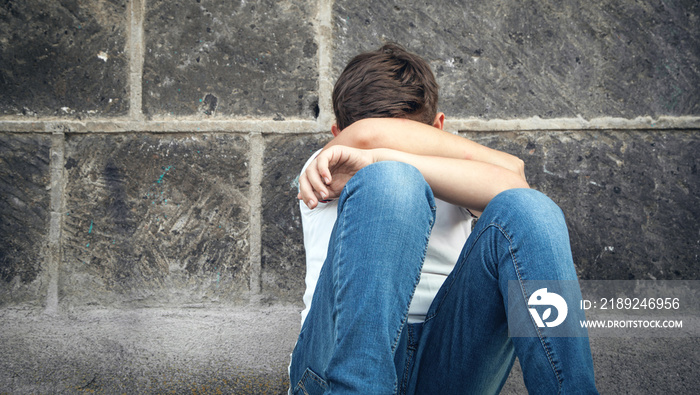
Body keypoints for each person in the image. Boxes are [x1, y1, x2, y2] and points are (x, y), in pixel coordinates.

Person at [290, 43, 598, 394]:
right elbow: (364, 136)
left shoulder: (450, 174)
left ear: (438, 128)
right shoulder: (328, 165)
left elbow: (514, 178)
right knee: (393, 181)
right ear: (336, 138)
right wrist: (382, 164)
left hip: (446, 365)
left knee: (531, 209)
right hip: (334, 366)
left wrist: (376, 158)